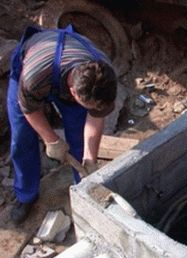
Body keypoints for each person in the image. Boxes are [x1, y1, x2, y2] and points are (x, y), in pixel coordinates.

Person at [7, 25, 117, 224]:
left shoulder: (103, 76)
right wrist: (52, 139)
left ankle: (84, 189)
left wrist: (90, 159)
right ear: (74, 93)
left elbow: (95, 117)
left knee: (79, 139)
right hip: (33, 66)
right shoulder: (34, 76)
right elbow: (30, 110)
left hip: (66, 71)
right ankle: (26, 195)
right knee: (22, 139)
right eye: (88, 104)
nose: (92, 108)